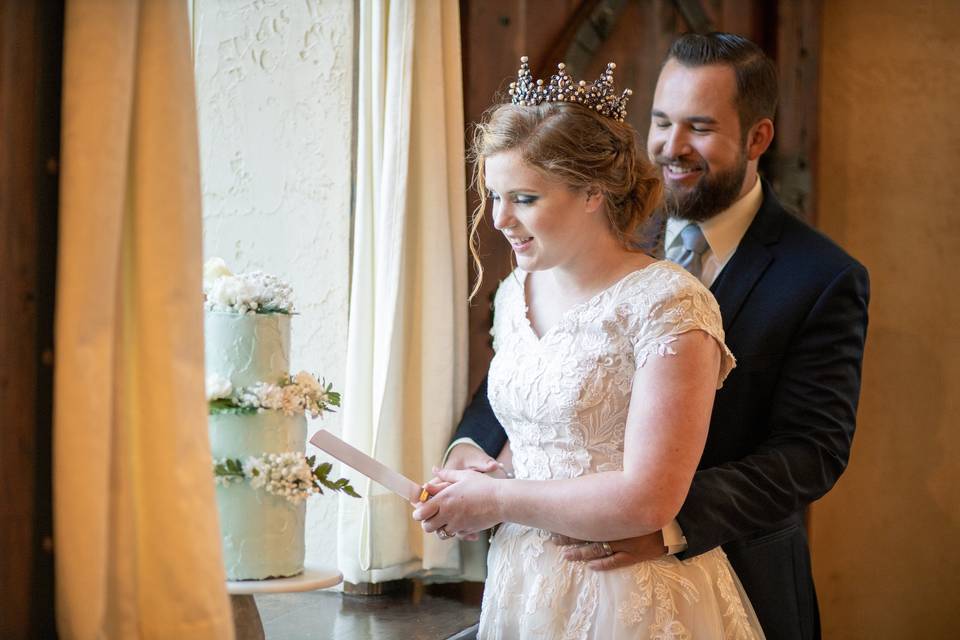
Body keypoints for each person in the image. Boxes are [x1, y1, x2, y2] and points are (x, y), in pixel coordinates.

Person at [440, 33, 870, 640]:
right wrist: (474, 460)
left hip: (715, 567)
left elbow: (812, 450)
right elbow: (545, 369)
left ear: (758, 138)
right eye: (661, 122)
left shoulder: (820, 276)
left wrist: (667, 521)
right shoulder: (585, 229)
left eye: (699, 126)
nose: (671, 146)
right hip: (538, 573)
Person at [412, 56, 766, 638]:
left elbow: (648, 499)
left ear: (592, 194)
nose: (500, 220)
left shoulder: (668, 302)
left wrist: (499, 503)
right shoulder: (514, 292)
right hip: (524, 582)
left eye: (524, 198)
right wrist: (486, 476)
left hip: (631, 591)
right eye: (494, 196)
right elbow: (546, 437)